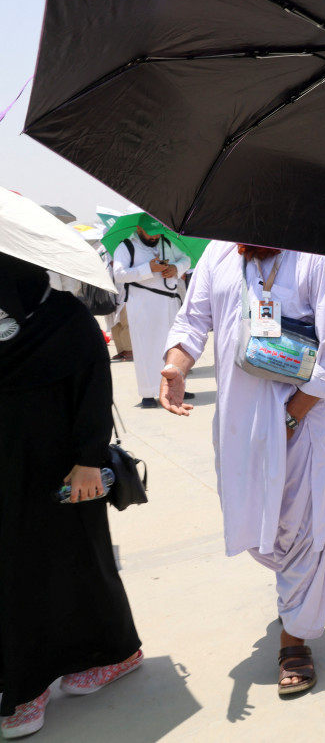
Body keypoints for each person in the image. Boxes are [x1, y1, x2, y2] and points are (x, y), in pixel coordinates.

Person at [158, 243, 325, 697]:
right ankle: (293, 597)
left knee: (305, 526)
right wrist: (176, 365)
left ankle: (294, 639)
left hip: (302, 420)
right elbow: (192, 319)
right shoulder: (219, 254)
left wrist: (292, 415)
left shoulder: (315, 256)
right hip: (239, 421)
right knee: (253, 520)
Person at [0, 253, 143, 739]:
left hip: (62, 474)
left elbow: (94, 388)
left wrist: (88, 459)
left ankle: (32, 684)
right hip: (6, 470)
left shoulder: (64, 317)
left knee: (71, 563)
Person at [111, 225, 190, 407]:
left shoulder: (167, 243)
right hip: (143, 305)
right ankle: (148, 392)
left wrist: (174, 268)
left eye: (157, 234)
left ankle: (177, 387)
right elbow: (119, 275)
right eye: (150, 234)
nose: (154, 237)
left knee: (173, 346)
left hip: (169, 303)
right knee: (147, 348)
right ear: (140, 228)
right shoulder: (126, 247)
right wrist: (148, 268)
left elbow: (186, 259)